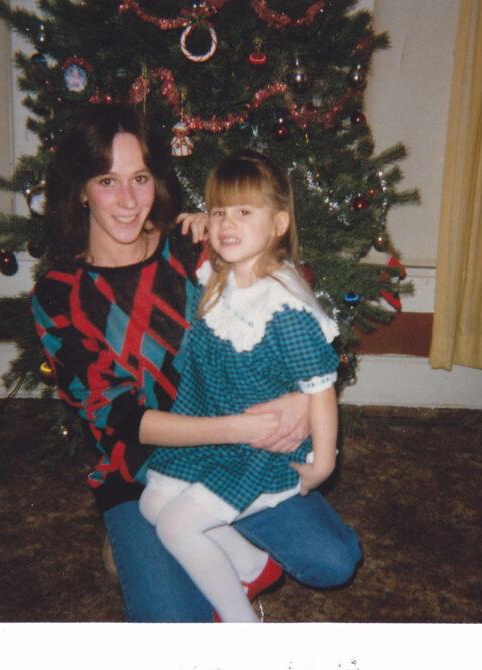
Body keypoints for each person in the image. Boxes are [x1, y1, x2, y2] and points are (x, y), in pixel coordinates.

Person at [32, 103, 361, 622]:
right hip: (140, 471)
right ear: (80, 188)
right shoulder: (61, 294)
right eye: (106, 180)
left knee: (333, 558)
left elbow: (288, 306)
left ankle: (220, 552)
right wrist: (240, 427)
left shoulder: (193, 248)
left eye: (139, 178)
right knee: (174, 629)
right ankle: (161, 547)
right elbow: (122, 421)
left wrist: (303, 400)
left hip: (240, 455)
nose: (127, 201)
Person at [138, 150, 345, 622]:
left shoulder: (283, 307)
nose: (228, 223)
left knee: (176, 525)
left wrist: (323, 464)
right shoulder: (218, 273)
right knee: (151, 501)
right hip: (218, 430)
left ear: (278, 223)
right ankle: (253, 565)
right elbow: (176, 244)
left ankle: (241, 627)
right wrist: (197, 222)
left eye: (244, 212)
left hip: (262, 451)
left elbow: (321, 390)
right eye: (219, 211)